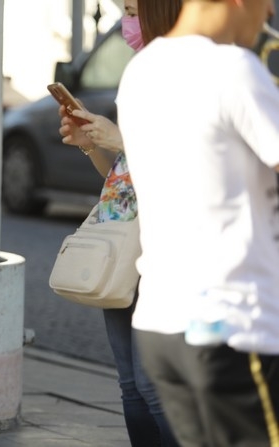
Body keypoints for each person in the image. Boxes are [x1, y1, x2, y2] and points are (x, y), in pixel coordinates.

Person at [116, 0, 279, 445]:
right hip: (234, 322)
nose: (267, 15)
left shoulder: (142, 70)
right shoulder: (233, 69)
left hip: (162, 323)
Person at [58, 0, 181, 445]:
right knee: (130, 385)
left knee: (153, 386)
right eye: (123, 10)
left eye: (132, 9)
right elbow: (122, 174)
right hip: (119, 236)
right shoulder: (140, 72)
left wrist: (122, 137)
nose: (126, 22)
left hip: (167, 244)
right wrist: (91, 144)